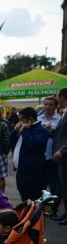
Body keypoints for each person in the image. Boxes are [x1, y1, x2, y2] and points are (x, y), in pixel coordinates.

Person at [10, 107, 49, 202]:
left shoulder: (41, 130)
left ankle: (34, 217)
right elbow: (10, 143)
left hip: (33, 173)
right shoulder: (23, 128)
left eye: (22, 120)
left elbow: (33, 144)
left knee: (35, 200)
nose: (20, 122)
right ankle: (26, 216)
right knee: (25, 200)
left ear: (30, 119)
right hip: (21, 171)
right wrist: (15, 131)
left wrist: (25, 130)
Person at [38, 97, 61, 215]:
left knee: (54, 186)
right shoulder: (38, 119)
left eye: (50, 104)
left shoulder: (59, 120)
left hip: (53, 157)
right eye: (45, 104)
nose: (47, 106)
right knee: (41, 185)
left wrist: (51, 131)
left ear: (55, 106)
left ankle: (52, 209)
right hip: (40, 157)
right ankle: (42, 208)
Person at [52, 88, 67, 223]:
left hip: (65, 156)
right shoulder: (64, 113)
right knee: (63, 186)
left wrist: (62, 150)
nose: (57, 99)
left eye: (58, 97)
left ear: (63, 97)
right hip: (62, 158)